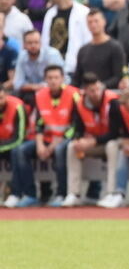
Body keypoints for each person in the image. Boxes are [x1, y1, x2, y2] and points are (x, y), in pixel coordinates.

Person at [9, 65, 77, 207]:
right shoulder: (40, 95)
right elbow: (39, 123)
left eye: (56, 78)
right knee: (19, 151)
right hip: (46, 139)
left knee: (59, 151)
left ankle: (61, 194)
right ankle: (29, 194)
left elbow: (76, 125)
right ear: (45, 79)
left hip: (66, 139)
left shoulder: (73, 95)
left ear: (63, 79)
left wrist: (56, 143)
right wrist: (39, 144)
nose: (53, 81)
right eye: (50, 78)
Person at [63, 73, 121, 208]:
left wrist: (93, 141)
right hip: (93, 142)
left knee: (112, 146)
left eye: (97, 89)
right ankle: (74, 193)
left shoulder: (112, 102)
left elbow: (115, 133)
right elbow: (77, 127)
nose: (95, 93)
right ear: (85, 91)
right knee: (72, 147)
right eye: (91, 90)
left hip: (111, 141)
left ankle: (111, 193)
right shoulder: (80, 104)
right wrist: (78, 140)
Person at [42, 0, 91, 78]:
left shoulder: (83, 13)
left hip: (74, 68)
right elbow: (45, 41)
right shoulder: (50, 14)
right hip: (53, 68)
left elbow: (88, 40)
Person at [73, 8, 125, 88]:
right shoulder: (83, 50)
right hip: (86, 96)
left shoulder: (115, 47)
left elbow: (118, 76)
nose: (93, 25)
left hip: (108, 95)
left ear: (104, 22)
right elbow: (77, 78)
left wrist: (100, 86)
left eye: (96, 21)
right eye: (90, 22)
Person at [12, 30, 63, 108]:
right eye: (30, 43)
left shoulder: (52, 54)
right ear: (24, 45)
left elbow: (59, 80)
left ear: (41, 43)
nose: (33, 45)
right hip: (32, 91)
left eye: (36, 42)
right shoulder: (22, 56)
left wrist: (38, 87)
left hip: (53, 90)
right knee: (15, 95)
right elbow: (17, 83)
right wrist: (35, 87)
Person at [0, 87, 28, 206]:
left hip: (15, 143)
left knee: (17, 152)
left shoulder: (17, 107)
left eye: (0, 98)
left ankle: (15, 194)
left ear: (6, 96)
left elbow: (20, 138)